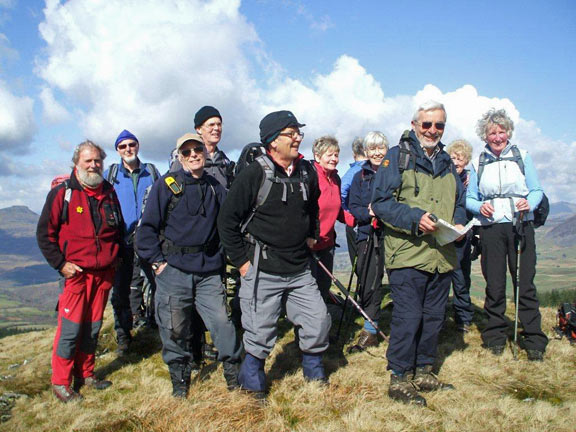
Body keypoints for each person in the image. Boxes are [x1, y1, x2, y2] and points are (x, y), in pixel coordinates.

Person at [218, 110, 331, 400]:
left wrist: (312, 233)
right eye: (290, 133)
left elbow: (313, 208)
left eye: (298, 133)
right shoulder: (255, 173)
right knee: (260, 332)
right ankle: (252, 382)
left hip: (299, 267)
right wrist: (243, 263)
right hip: (262, 268)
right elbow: (227, 220)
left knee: (318, 320)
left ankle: (314, 372)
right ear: (272, 141)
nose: (297, 138)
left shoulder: (306, 172)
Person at [371, 100, 466, 406]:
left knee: (434, 317)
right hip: (407, 254)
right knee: (408, 317)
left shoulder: (448, 162)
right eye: (426, 124)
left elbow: (458, 202)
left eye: (439, 125)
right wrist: (415, 219)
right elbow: (381, 204)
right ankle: (399, 376)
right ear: (414, 125)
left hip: (441, 255)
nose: (432, 130)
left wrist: (461, 221)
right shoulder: (396, 158)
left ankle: (424, 370)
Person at [135, 133, 242, 398]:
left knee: (222, 324)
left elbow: (230, 224)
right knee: (174, 328)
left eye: (198, 149)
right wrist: (158, 264)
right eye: (187, 152)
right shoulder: (165, 186)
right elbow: (146, 230)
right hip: (174, 271)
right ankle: (180, 382)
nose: (194, 154)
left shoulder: (216, 188)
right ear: (179, 156)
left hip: (208, 272)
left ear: (205, 153)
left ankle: (234, 378)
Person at [37, 140, 123, 402]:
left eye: (97, 160)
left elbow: (117, 229)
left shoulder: (108, 191)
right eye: (88, 161)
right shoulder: (62, 194)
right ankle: (61, 382)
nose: (94, 165)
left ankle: (86, 374)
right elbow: (44, 234)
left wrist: (116, 257)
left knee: (93, 328)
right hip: (76, 275)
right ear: (77, 163)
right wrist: (60, 264)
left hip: (103, 274)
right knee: (71, 329)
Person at [466, 108, 548, 360]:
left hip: (520, 224)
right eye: (493, 133)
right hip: (491, 227)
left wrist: (529, 204)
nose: (498, 137)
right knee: (495, 283)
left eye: (502, 131)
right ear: (485, 136)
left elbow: (536, 190)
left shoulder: (522, 156)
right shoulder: (477, 162)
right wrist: (480, 206)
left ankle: (533, 338)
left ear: (509, 132)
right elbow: (470, 198)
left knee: (524, 282)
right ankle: (494, 336)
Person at [104, 130, 160, 355]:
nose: (128, 149)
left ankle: (157, 325)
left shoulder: (152, 172)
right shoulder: (111, 174)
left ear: (138, 146)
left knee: (159, 285)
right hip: (121, 242)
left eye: (132, 144)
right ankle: (124, 335)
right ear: (117, 150)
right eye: (123, 146)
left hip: (149, 240)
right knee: (121, 291)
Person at [348, 131, 389, 351]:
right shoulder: (359, 177)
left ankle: (402, 328)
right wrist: (369, 212)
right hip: (366, 233)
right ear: (366, 151)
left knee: (400, 280)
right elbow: (353, 207)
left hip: (393, 234)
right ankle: (370, 330)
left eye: (380, 147)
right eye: (372, 148)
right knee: (368, 281)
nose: (376, 152)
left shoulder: (395, 173)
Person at [309, 136, 355, 303]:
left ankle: (320, 325)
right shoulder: (310, 177)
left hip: (327, 245)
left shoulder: (335, 179)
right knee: (309, 291)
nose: (334, 159)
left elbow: (338, 209)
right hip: (309, 246)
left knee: (323, 287)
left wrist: (358, 219)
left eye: (336, 155)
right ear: (317, 156)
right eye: (329, 155)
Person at [445, 139, 475, 332]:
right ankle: (444, 314)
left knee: (463, 276)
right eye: (453, 157)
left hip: (465, 234)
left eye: (460, 158)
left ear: (467, 160)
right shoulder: (444, 178)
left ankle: (463, 315)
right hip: (446, 231)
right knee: (450, 274)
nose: (456, 161)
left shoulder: (472, 181)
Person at [169, 106, 234, 189]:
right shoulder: (185, 156)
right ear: (199, 129)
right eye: (211, 125)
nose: (216, 128)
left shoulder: (224, 161)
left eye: (219, 124)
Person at [340, 137, 366, 263]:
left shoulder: (352, 172)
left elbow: (341, 192)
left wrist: (346, 212)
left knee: (358, 260)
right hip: (369, 219)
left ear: (353, 154)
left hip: (355, 220)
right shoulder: (375, 170)